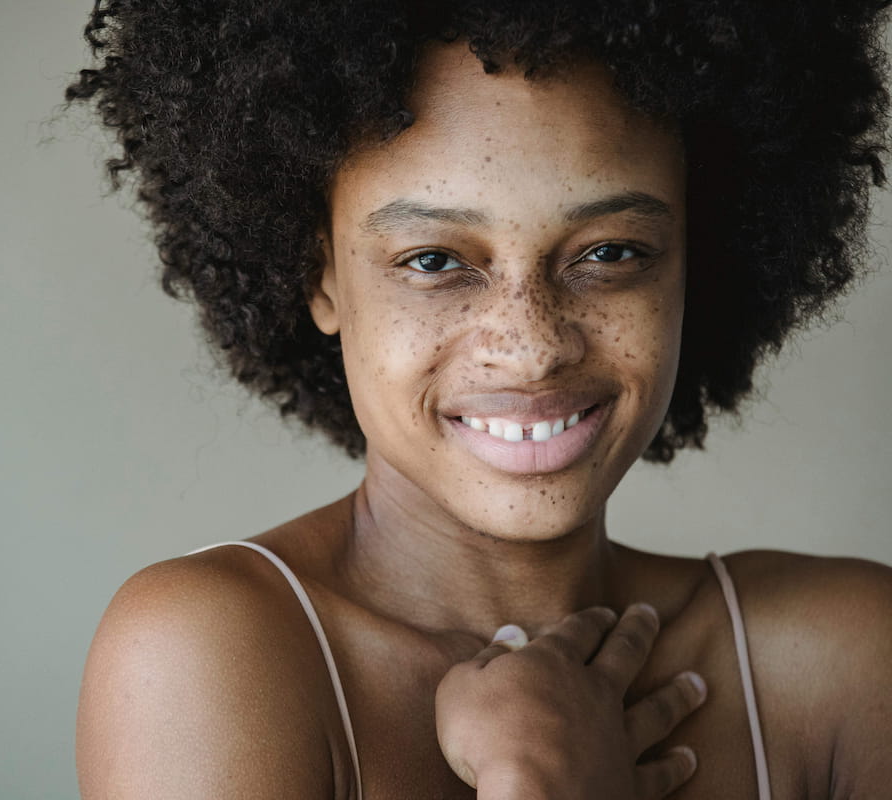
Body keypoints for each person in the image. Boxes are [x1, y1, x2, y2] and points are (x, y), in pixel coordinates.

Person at [67, 1, 892, 797]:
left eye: (609, 251)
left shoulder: (848, 661)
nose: (532, 347)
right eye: (433, 260)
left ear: (694, 260)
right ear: (320, 274)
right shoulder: (212, 657)